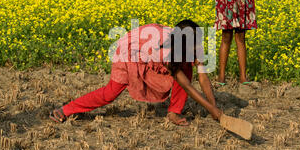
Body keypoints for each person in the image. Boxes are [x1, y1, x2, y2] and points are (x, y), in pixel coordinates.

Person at [50, 20, 224, 126]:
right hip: (132, 50)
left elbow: (203, 77)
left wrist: (214, 107)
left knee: (187, 67)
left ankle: (173, 112)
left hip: (150, 47)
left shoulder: (193, 44)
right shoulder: (169, 53)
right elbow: (187, 86)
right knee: (110, 93)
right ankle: (66, 109)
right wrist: (212, 110)